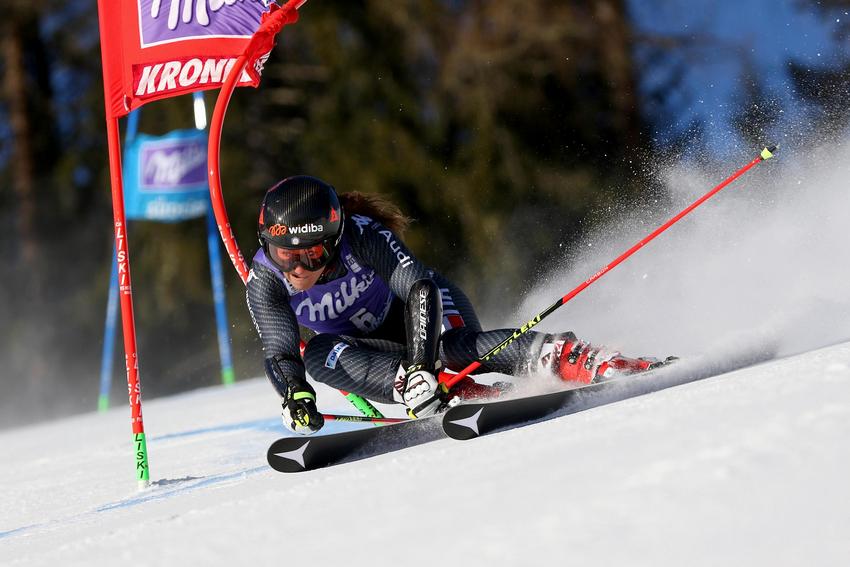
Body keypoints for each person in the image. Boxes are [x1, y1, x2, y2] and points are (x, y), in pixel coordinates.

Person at [247, 176, 665, 435]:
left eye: (312, 255)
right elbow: (280, 349)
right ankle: (450, 393)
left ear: (335, 241)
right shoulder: (265, 278)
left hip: (422, 313)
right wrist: (295, 395)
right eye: (286, 255)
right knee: (318, 353)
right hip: (375, 349)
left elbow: (420, 292)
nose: (297, 268)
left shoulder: (364, 236)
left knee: (455, 347)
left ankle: (577, 358)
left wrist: (421, 367)